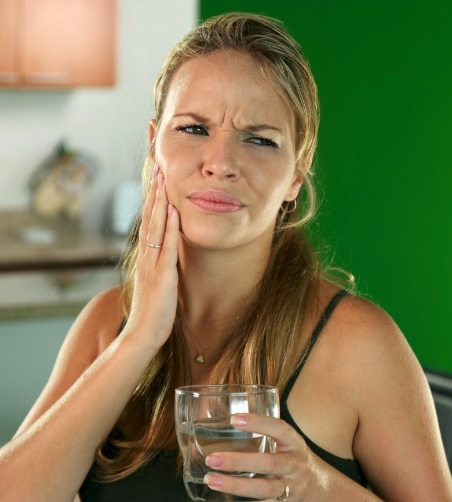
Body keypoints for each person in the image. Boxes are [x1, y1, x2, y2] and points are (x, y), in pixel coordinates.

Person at [0, 12, 451, 502]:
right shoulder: (107, 323)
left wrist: (315, 486)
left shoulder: (359, 345)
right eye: (194, 129)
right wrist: (141, 337)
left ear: (295, 178)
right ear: (155, 147)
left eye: (259, 139)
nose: (221, 163)